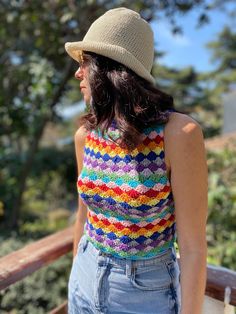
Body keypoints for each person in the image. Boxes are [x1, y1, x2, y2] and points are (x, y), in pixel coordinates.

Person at [65, 7, 208, 314]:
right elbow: (83, 216)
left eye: (85, 62)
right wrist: (77, 269)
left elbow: (194, 248)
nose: (77, 72)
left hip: (144, 293)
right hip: (84, 276)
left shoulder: (178, 134)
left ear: (109, 68)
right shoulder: (86, 136)